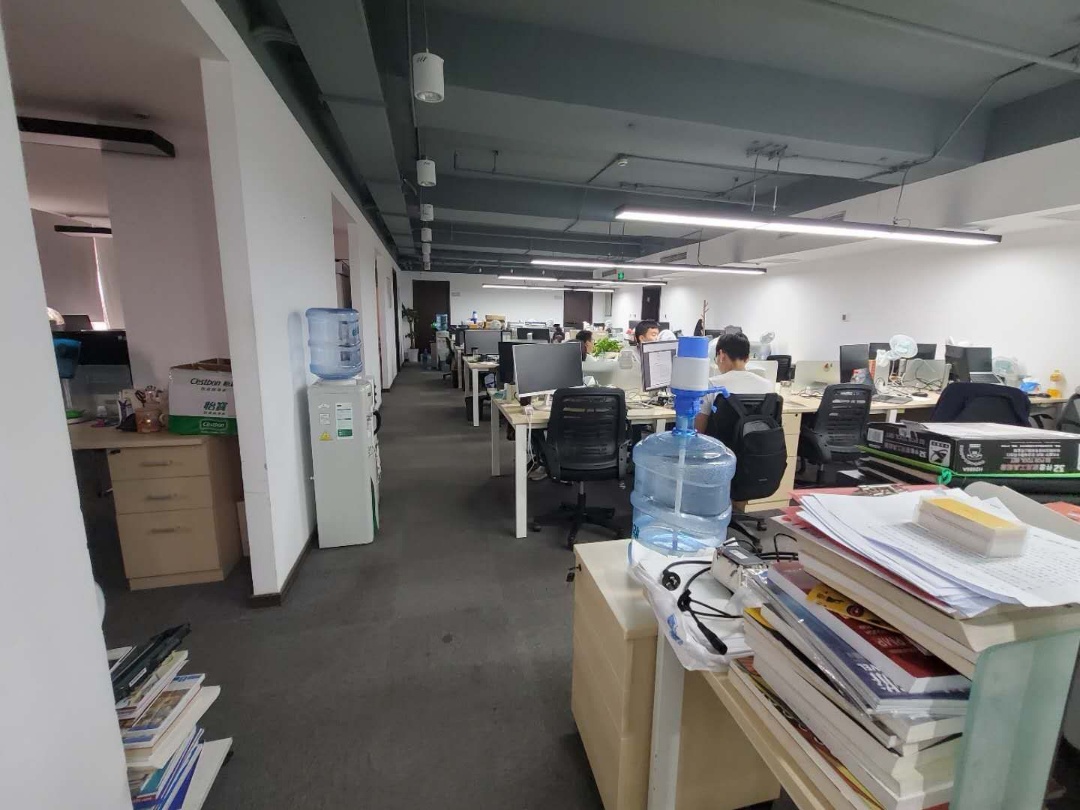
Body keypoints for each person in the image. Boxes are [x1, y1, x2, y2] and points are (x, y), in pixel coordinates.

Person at [694, 332, 774, 432]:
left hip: (720, 442)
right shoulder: (767, 386)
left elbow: (699, 430)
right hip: (757, 442)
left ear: (721, 355)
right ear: (747, 358)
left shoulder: (711, 385)